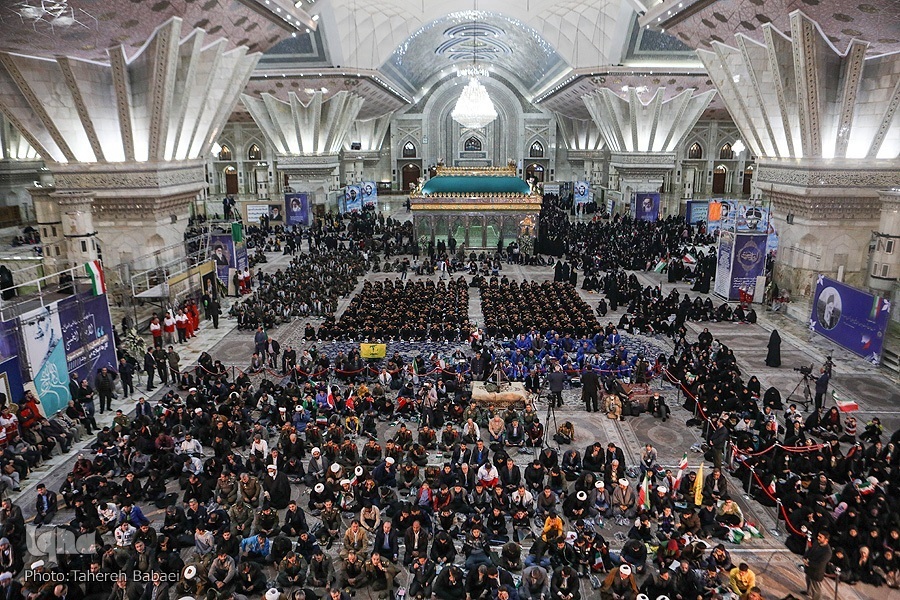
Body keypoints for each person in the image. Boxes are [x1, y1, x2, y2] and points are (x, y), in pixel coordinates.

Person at [804, 531, 832, 600]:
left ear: (826, 540)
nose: (818, 538)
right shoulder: (817, 542)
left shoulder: (827, 552)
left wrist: (808, 563)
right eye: (818, 536)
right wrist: (805, 557)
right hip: (809, 568)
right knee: (808, 580)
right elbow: (810, 550)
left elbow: (821, 564)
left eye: (820, 537)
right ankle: (808, 592)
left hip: (816, 571)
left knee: (816, 588)